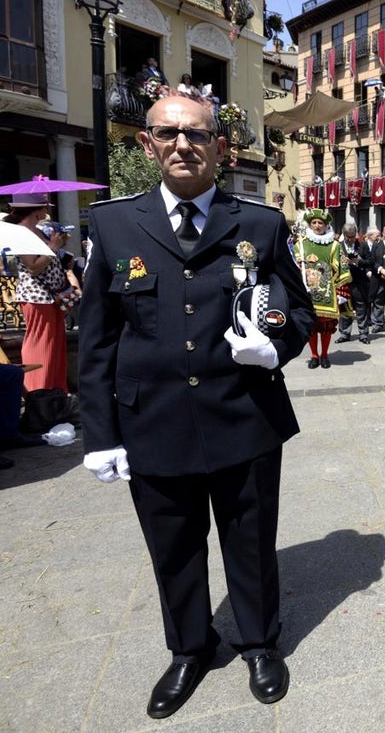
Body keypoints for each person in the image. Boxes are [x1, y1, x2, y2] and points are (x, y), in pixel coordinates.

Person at [78, 95, 314, 718]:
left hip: (244, 417)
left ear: (220, 147)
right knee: (174, 548)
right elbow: (97, 340)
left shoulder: (260, 225)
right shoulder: (114, 225)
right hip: (152, 423)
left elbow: (300, 310)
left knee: (251, 542)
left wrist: (275, 348)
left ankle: (259, 642)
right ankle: (189, 648)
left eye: (197, 134)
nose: (182, 144)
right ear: (148, 144)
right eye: (168, 133)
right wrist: (100, 434)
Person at [8, 194, 69, 392]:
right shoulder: (20, 233)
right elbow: (33, 267)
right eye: (45, 206)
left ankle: (55, 390)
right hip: (36, 296)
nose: (47, 210)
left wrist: (58, 247)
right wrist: (53, 247)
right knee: (40, 341)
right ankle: (39, 390)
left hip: (52, 295)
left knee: (55, 343)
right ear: (35, 210)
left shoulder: (38, 231)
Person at [296, 208, 350, 368]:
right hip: (307, 293)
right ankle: (314, 355)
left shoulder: (335, 245)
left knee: (326, 328)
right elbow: (294, 266)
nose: (317, 225)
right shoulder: (301, 244)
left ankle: (324, 355)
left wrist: (342, 291)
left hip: (328, 293)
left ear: (326, 225)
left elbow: (343, 267)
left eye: (320, 222)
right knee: (311, 326)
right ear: (310, 224)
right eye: (314, 222)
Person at [335, 222, 371, 344]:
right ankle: (344, 333)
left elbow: (370, 261)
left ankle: (363, 333)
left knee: (361, 307)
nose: (350, 239)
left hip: (359, 282)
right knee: (345, 308)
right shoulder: (338, 246)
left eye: (353, 236)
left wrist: (359, 262)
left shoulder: (362, 245)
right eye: (348, 237)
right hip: (344, 282)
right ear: (343, 235)